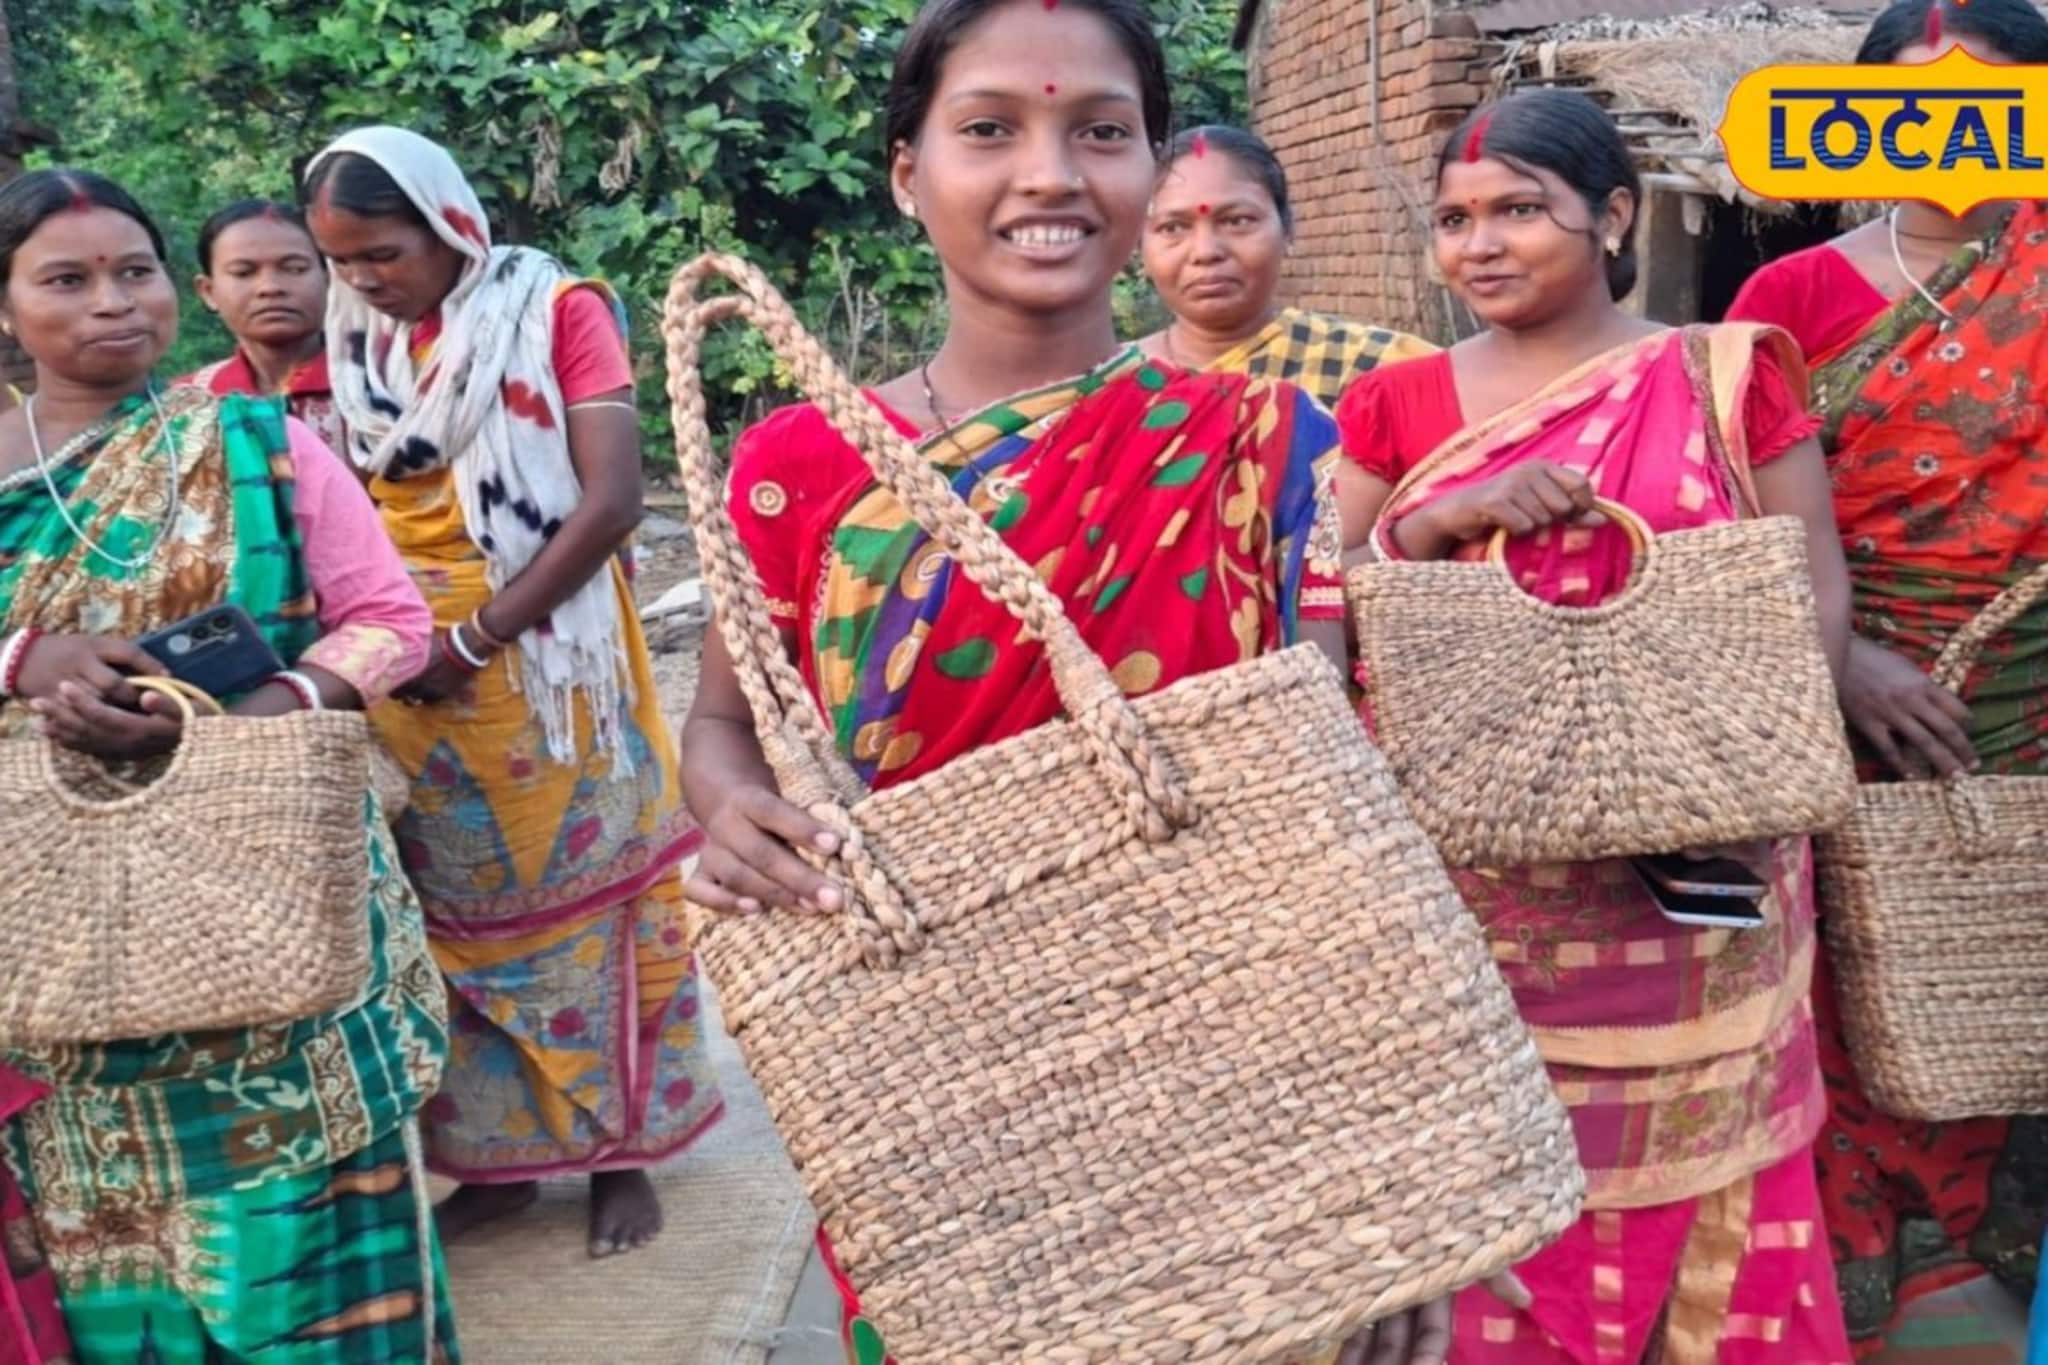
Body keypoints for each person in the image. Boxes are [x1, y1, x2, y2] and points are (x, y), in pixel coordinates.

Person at [681, 1, 1515, 1360]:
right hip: (934, 1070)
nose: (1052, 173)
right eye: (990, 129)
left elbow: (1321, 803)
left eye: (1102, 132)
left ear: (1150, 166)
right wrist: (729, 808)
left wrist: (1389, 1170)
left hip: (1232, 1052)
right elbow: (724, 724)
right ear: (907, 171)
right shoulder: (797, 462)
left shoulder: (1263, 443)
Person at [1332, 91, 1855, 1362]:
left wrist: (1754, 770)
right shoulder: (1397, 402)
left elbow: (1812, 584)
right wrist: (1445, 522)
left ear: (1612, 215)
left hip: (1706, 881)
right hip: (1479, 894)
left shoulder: (1720, 374)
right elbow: (1331, 594)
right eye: (1456, 220)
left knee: (1712, 1209)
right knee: (1508, 1217)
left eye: (1520, 210)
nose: (1480, 246)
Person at [0, 168, 453, 1361]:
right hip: (57, 962)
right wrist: (24, 658)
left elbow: (388, 621)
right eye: (67, 279)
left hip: (278, 949)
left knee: (296, 1288)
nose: (114, 303)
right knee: (107, 1279)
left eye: (135, 271)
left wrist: (257, 709)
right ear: (6, 310)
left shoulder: (253, 442)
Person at [301, 126, 723, 1259]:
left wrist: (477, 636)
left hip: (542, 659)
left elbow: (612, 500)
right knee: (447, 930)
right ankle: (493, 1164)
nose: (362, 281)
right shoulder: (356, 341)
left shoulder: (552, 309)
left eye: (381, 254)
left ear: (450, 227)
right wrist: (404, 645)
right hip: (403, 667)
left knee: (596, 906)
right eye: (340, 261)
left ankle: (618, 1156)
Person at [1724, 0, 2048, 1347]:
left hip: (2028, 699)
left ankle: (1976, 1237)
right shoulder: (1791, 298)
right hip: (1835, 695)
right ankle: (1843, 1250)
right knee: (1838, 959)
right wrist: (1841, 653)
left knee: (1994, 965)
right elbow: (1727, 512)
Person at [1139, 124, 1433, 403]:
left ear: (1288, 230)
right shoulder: (1107, 385)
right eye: (1173, 228)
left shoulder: (1383, 370)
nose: (1205, 252)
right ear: (1140, 247)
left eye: (1237, 221)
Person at [177, 199, 345, 454]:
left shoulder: (376, 386)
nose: (270, 287)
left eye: (295, 269)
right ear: (208, 291)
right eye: (243, 273)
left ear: (328, 279)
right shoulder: (187, 404)